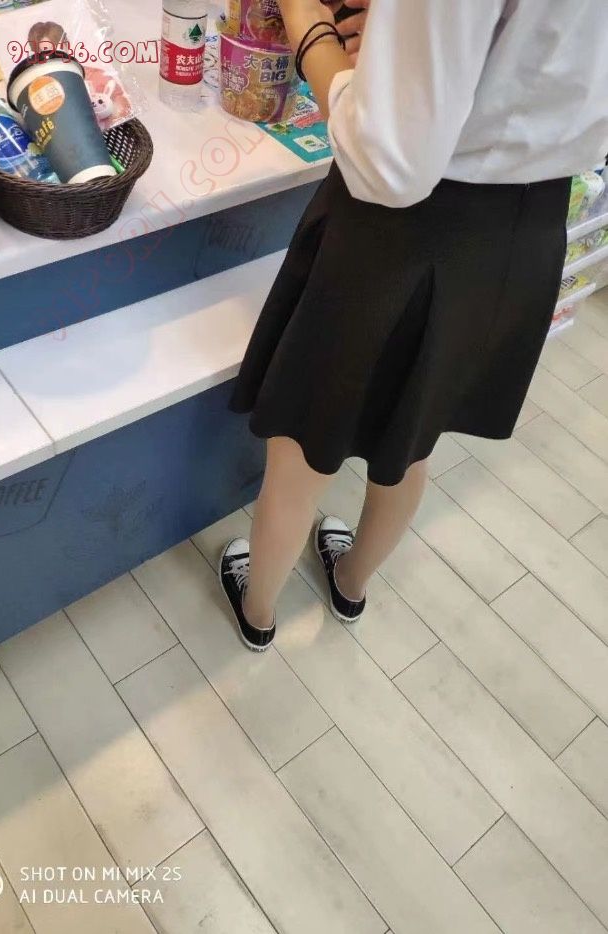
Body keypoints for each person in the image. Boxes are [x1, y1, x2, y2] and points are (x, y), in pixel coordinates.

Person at [219, 0, 608, 650]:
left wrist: (307, 24)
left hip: (400, 231)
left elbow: (389, 161)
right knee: (413, 439)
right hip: (525, 227)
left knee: (303, 450)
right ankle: (351, 583)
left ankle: (259, 612)